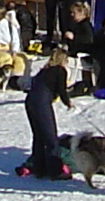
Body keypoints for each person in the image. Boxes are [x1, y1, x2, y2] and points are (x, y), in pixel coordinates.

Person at [23, 48, 72, 179]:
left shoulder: (43, 71)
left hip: (30, 102)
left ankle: (39, 168)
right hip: (42, 102)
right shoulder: (60, 70)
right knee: (51, 138)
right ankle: (55, 171)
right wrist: (68, 103)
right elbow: (62, 90)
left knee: (39, 136)